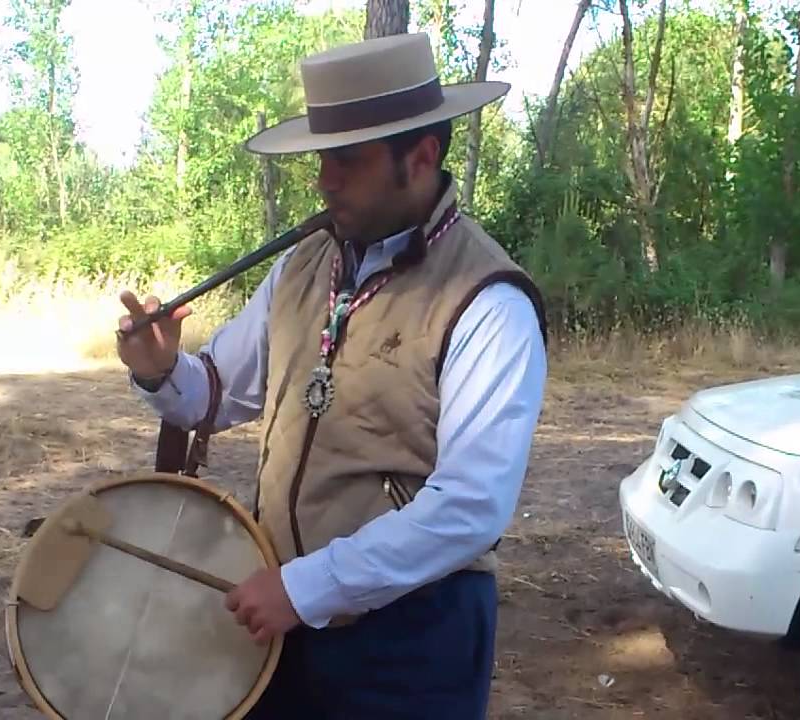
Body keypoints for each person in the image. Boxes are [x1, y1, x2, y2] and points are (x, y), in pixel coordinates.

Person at [116, 33, 549, 719]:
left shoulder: (487, 300)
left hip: (412, 644)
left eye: (348, 159)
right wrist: (162, 369)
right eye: (322, 157)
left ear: (423, 157)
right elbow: (218, 394)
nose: (325, 179)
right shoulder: (301, 267)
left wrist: (306, 587)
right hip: (282, 623)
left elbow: (472, 507)